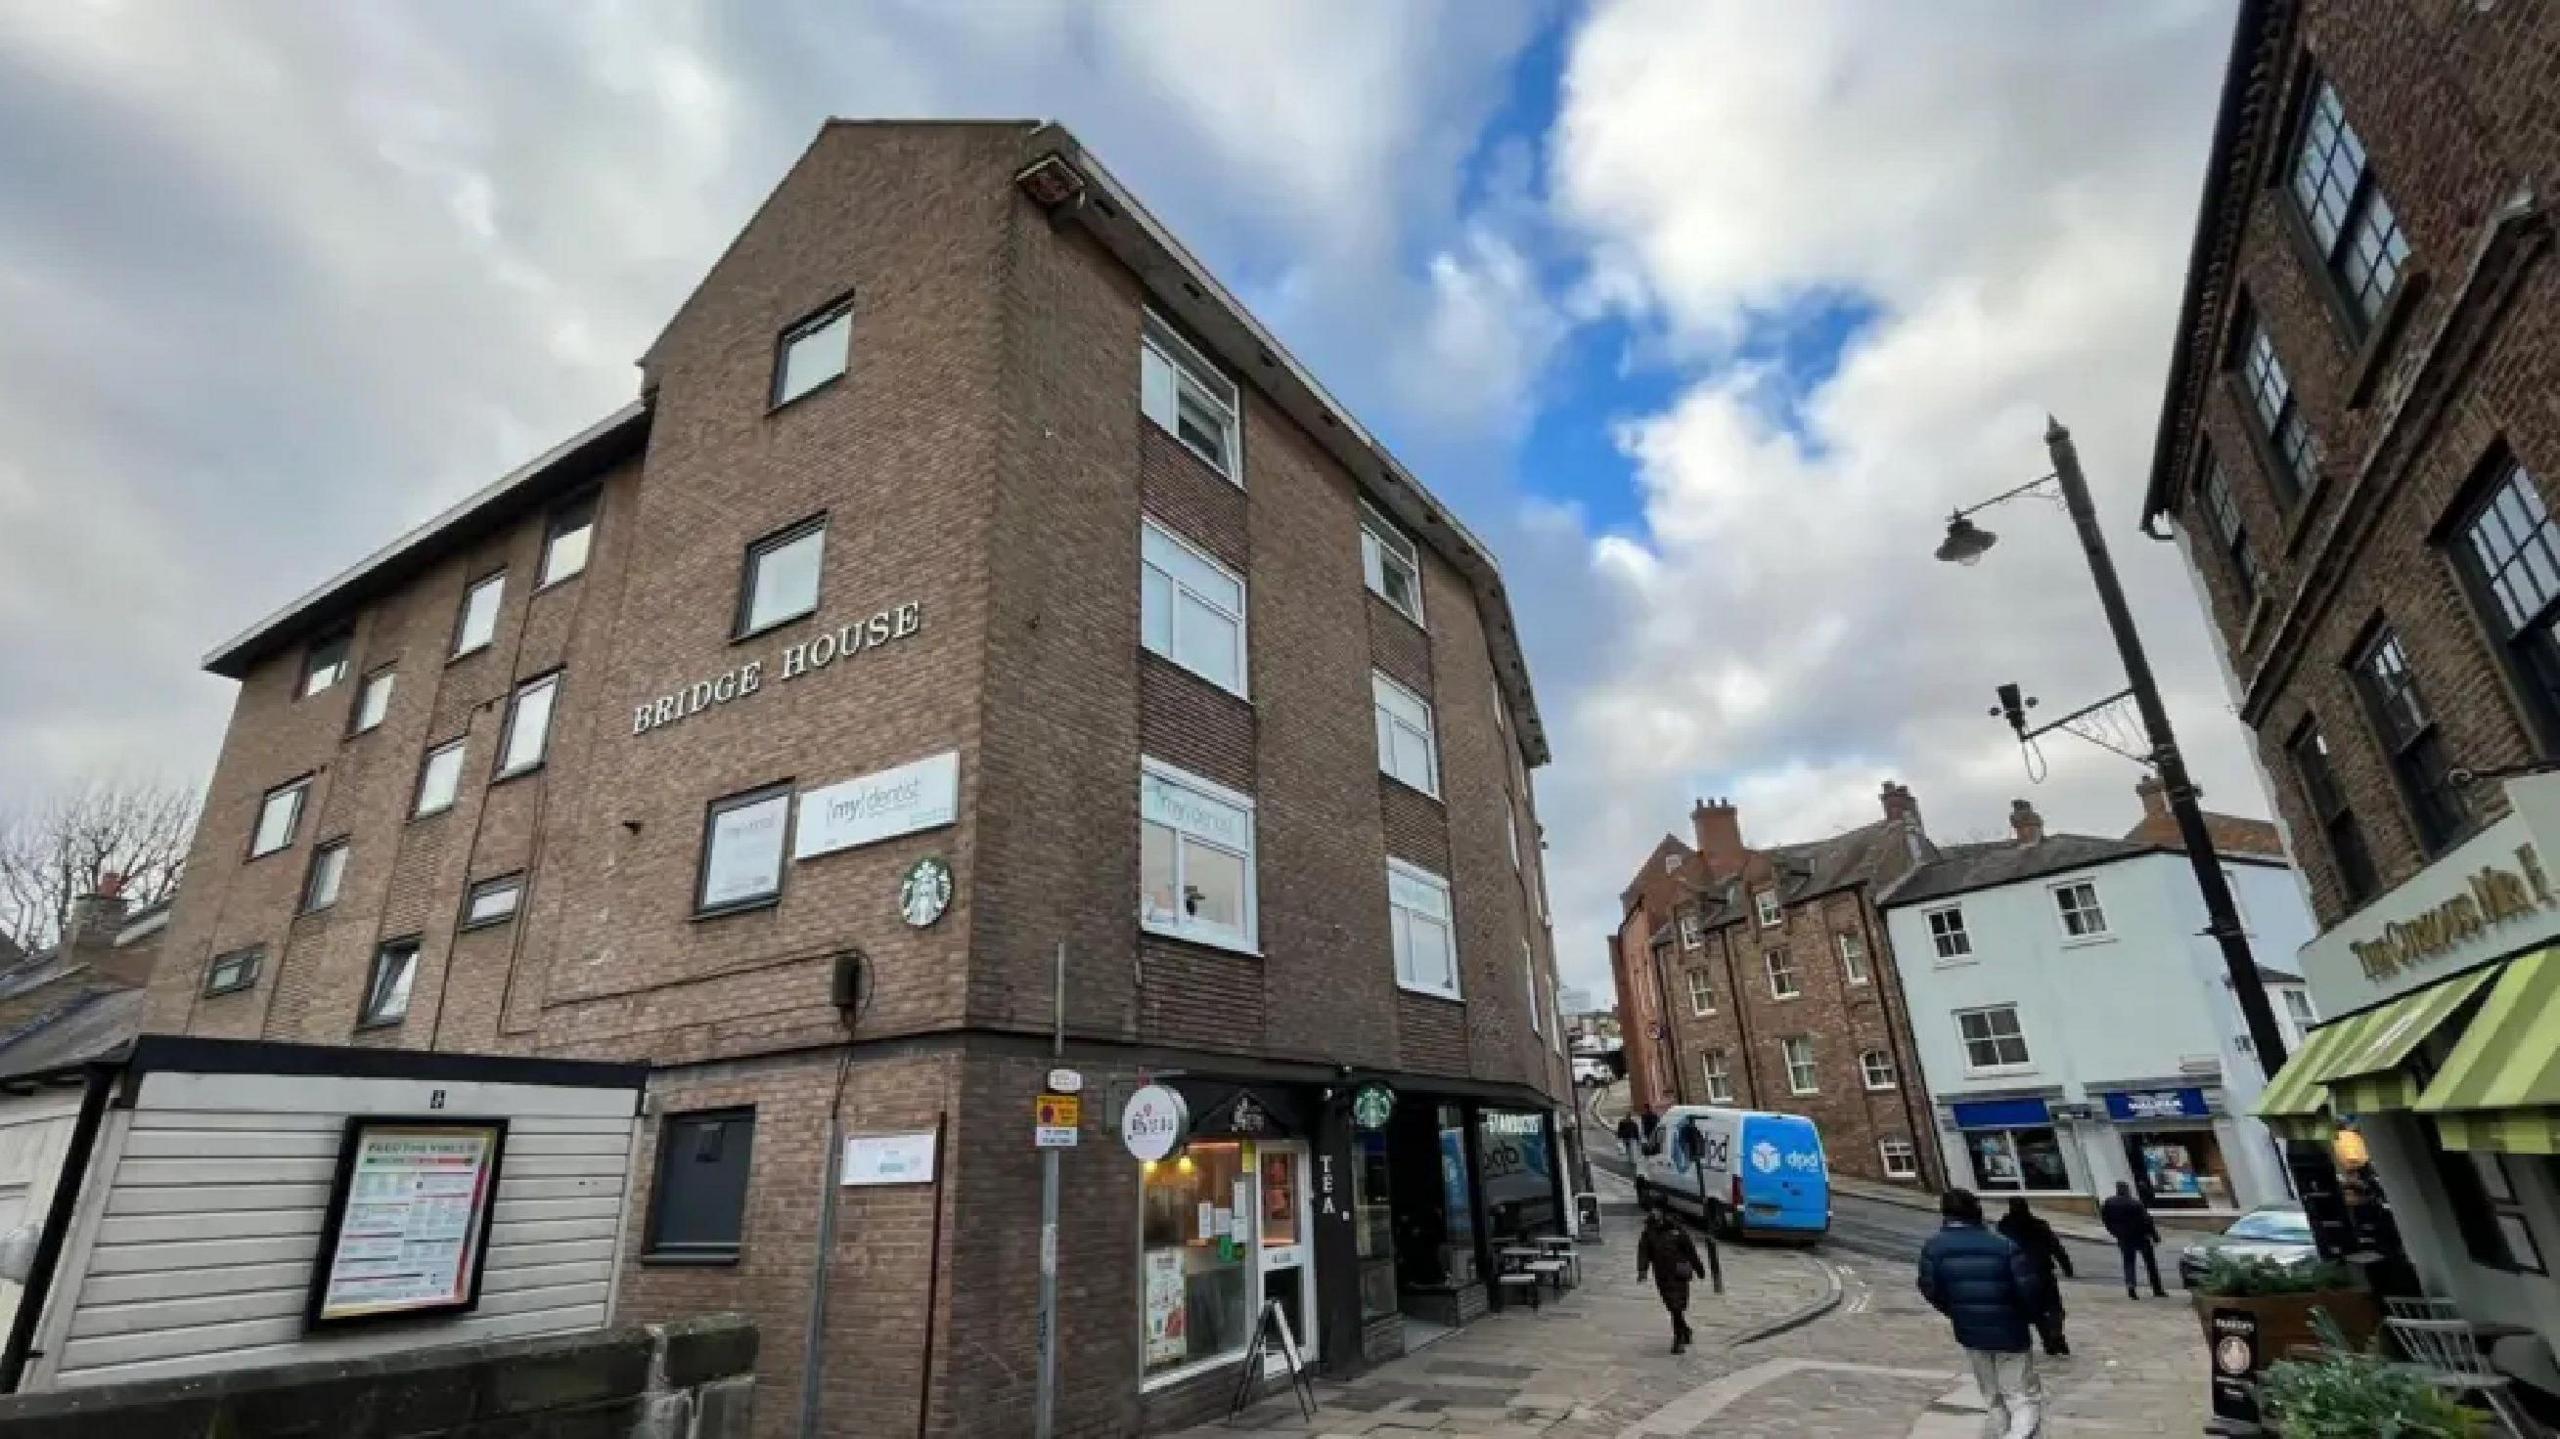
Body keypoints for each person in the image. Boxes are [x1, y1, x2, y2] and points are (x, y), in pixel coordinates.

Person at [1918, 1188, 2046, 1439]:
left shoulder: (1933, 1248)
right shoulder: (2003, 1246)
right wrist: (2029, 1316)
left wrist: (1956, 1311)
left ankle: (2001, 1433)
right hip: (2010, 1330)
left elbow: (1930, 1288)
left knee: (1993, 1397)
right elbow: (2029, 1289)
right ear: (1975, 1210)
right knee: (2021, 1396)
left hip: (1970, 1330)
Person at [1996, 1197, 2074, 1357]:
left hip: (2021, 1273)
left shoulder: (2004, 1228)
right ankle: (2056, 1334)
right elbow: (2055, 1246)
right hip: (2043, 1270)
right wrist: (2067, 1266)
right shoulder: (2039, 1225)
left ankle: (2047, 1340)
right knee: (2054, 1306)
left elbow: (2000, 1251)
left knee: (2037, 1309)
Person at [1635, 1203, 1707, 1353]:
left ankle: (1678, 1339)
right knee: (1673, 1306)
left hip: (1679, 1273)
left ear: (1663, 1212)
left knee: (1677, 1305)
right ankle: (1685, 1330)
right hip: (1662, 1275)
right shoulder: (1649, 1231)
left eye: (1656, 1210)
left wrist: (1699, 1268)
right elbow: (1644, 1250)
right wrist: (1642, 1269)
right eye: (1653, 1210)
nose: (1654, 1212)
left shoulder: (1677, 1230)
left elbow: (1690, 1251)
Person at [2099, 1181, 2166, 1299]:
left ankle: (2131, 1287)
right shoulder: (2135, 1204)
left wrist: (2114, 1232)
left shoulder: (2109, 1203)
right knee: (2150, 1263)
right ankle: (2157, 1289)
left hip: (2123, 1237)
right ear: (2127, 1190)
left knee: (2128, 1262)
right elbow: (2147, 1221)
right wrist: (2154, 1236)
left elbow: (2106, 1219)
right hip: (2140, 1236)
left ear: (2117, 1190)